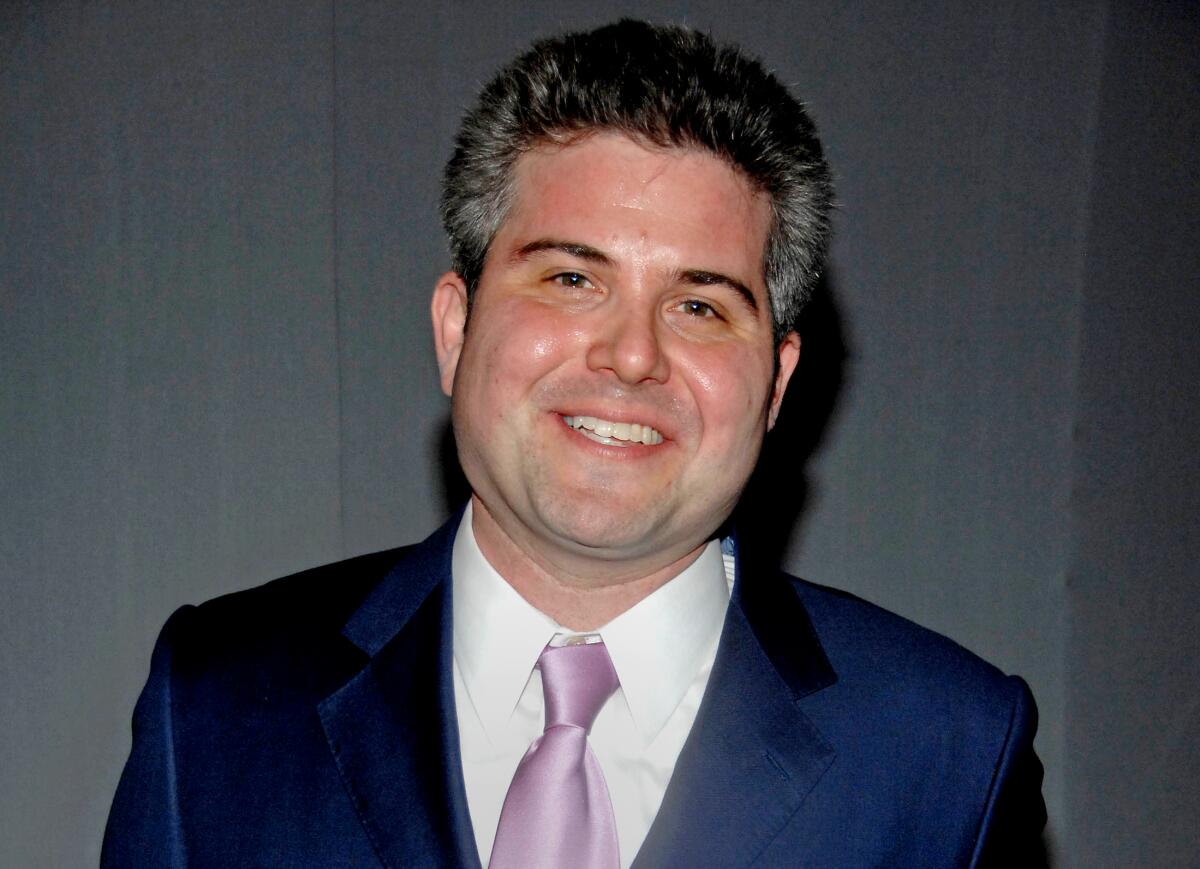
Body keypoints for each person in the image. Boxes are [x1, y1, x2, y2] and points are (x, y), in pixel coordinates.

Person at [102, 19, 1046, 868]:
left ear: (777, 385)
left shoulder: (946, 753)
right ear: (454, 328)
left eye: (700, 305)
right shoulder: (221, 707)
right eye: (569, 279)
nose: (633, 354)